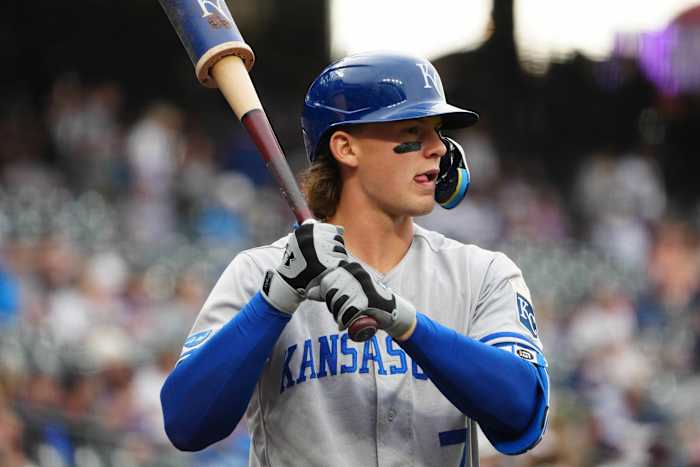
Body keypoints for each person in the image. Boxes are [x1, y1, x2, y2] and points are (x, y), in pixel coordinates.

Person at [160, 52, 550, 466]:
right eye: (414, 130)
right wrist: (273, 304)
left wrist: (406, 322)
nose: (439, 148)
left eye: (437, 132)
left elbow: (522, 413)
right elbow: (187, 424)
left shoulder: (481, 274)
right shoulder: (261, 273)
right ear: (346, 148)